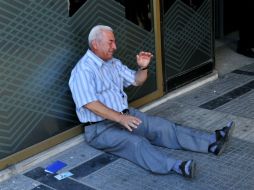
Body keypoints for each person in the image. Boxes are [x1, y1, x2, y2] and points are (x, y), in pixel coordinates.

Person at [69, 25, 235, 178]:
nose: (115, 47)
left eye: (114, 42)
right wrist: (120, 118)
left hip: (124, 115)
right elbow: (90, 103)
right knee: (137, 143)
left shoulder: (113, 63)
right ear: (95, 44)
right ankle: (177, 166)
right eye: (110, 42)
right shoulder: (83, 70)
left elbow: (136, 80)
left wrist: (143, 68)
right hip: (100, 129)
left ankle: (212, 142)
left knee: (163, 127)